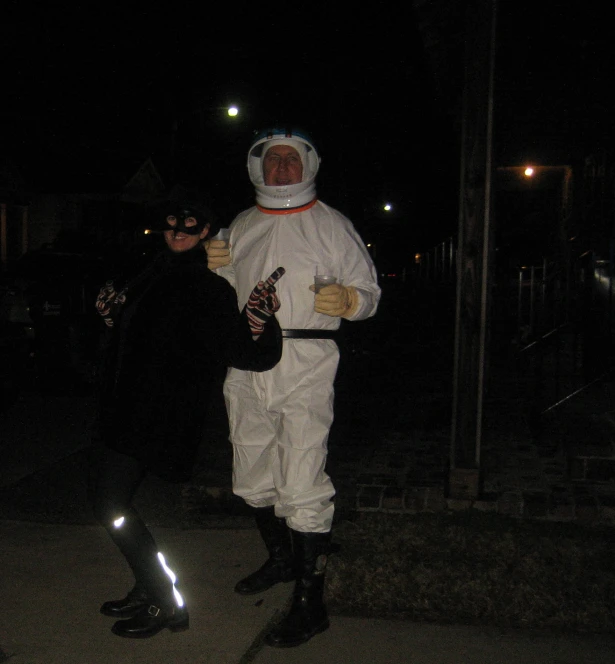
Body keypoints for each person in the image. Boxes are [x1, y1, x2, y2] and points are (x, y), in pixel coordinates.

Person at [206, 127, 381, 648]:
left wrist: (351, 301)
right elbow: (225, 296)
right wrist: (215, 272)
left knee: (302, 478)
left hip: (306, 360)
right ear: (258, 168)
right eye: (273, 159)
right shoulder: (242, 223)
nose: (283, 168)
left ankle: (311, 603)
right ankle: (282, 560)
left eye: (291, 159)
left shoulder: (331, 224)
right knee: (252, 468)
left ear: (309, 166)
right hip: (245, 361)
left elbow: (370, 290)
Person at [90, 192, 285, 639]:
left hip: (156, 416)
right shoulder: (149, 273)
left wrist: (258, 320)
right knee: (106, 502)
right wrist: (110, 319)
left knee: (111, 505)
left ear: (204, 233)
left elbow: (243, 352)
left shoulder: (208, 288)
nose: (178, 232)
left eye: (190, 225)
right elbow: (133, 339)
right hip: (120, 408)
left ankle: (167, 603)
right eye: (172, 224)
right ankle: (146, 587)